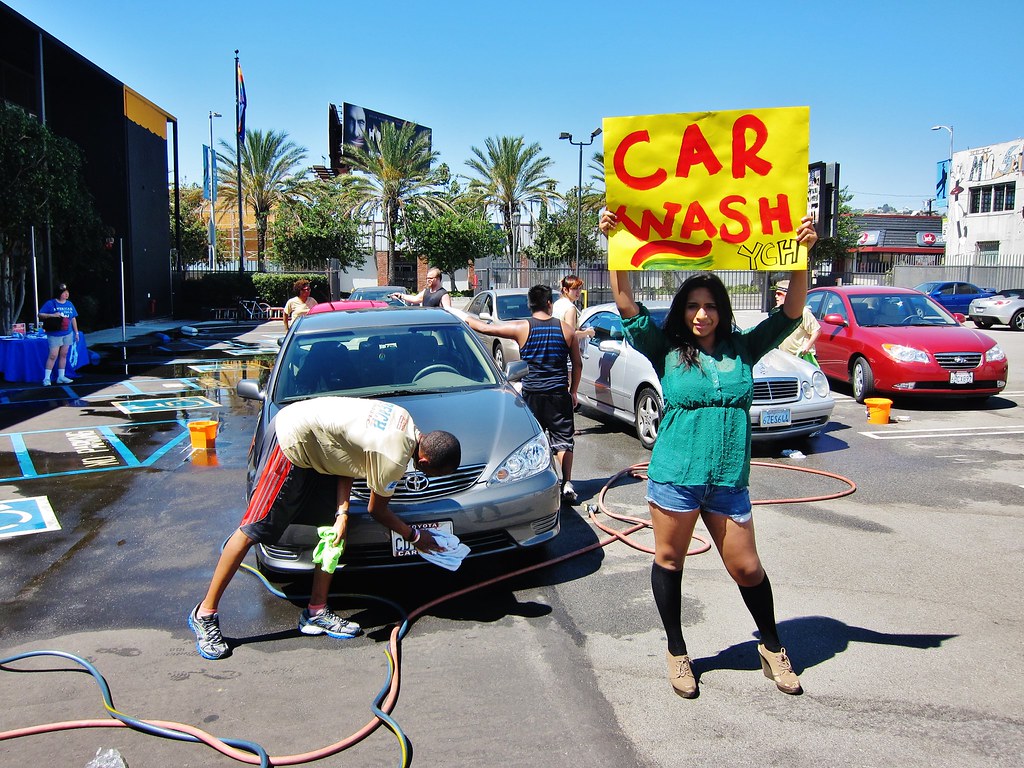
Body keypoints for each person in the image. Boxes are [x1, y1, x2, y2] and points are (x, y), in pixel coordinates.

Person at [599, 210, 817, 698]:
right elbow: (625, 300)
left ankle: (772, 645)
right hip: (676, 473)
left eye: (711, 305)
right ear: (682, 311)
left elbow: (790, 312)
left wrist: (801, 255)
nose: (702, 314)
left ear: (722, 309)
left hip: (727, 481)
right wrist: (617, 246)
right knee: (670, 560)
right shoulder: (666, 348)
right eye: (693, 306)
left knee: (747, 568)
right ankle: (677, 651)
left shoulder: (743, 349)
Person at [188, 396, 461, 660]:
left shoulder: (404, 419)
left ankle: (316, 611)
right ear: (424, 462)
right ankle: (205, 613)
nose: (428, 477)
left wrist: (341, 512)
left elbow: (346, 454)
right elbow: (377, 510)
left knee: (332, 531)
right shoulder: (393, 455)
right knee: (253, 530)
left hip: (318, 446)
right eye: (434, 474)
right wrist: (415, 536)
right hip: (292, 440)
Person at [452, 285, 583, 503]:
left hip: (532, 394)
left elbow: (484, 328)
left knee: (533, 440)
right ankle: (566, 483)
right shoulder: (567, 330)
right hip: (559, 394)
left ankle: (536, 484)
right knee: (563, 439)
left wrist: (459, 315)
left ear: (530, 305)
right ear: (549, 304)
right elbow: (577, 365)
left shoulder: (521, 328)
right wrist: (573, 391)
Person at [38, 282, 79, 386]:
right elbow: (40, 314)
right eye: (63, 292)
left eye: (67, 292)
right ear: (58, 293)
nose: (66, 294)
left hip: (67, 333)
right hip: (55, 334)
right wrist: (52, 315)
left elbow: (73, 318)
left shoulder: (69, 304)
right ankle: (46, 378)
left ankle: (61, 376)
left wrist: (76, 332)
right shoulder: (50, 303)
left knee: (64, 354)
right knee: (53, 355)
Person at [774, 280, 820, 366]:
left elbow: (816, 331)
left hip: (802, 358)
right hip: (785, 357)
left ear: (789, 295)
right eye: (776, 294)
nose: (776, 296)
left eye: (779, 294)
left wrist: (807, 346)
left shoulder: (803, 312)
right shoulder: (779, 312)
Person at [553, 275, 596, 341]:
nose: (578, 292)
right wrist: (588, 332)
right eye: (574, 288)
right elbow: (571, 334)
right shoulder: (570, 308)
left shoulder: (557, 304)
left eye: (580, 288)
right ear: (565, 290)